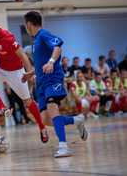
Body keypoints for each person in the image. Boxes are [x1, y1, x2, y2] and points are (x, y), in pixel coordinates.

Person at [0, 18, 49, 143]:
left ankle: (42, 127)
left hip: (16, 72)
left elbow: (24, 55)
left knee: (27, 102)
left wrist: (29, 72)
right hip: (2, 69)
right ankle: (2, 107)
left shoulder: (8, 39)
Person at [22, 11, 87, 158]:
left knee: (52, 109)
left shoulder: (44, 35)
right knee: (45, 119)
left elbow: (58, 46)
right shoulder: (36, 40)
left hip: (53, 79)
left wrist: (51, 61)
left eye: (26, 26)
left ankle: (64, 147)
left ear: (29, 25)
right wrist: (32, 74)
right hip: (41, 82)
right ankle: (77, 120)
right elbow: (41, 63)